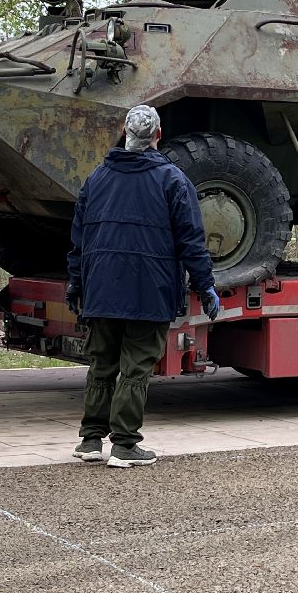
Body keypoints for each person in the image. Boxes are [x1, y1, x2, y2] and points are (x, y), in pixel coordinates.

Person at [66, 104, 218, 468]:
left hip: (100, 288)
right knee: (135, 367)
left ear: (124, 131)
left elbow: (78, 240)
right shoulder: (173, 181)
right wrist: (206, 286)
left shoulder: (97, 179)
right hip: (149, 290)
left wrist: (75, 283)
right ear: (158, 135)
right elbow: (191, 242)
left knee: (101, 363)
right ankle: (124, 444)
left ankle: (90, 439)